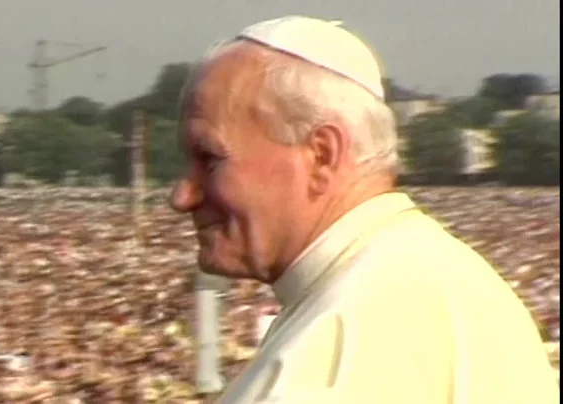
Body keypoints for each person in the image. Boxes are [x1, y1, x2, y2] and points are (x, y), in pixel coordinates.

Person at [169, 15, 559, 404]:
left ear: (322, 155)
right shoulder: (419, 272)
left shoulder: (358, 324)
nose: (182, 196)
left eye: (209, 158)